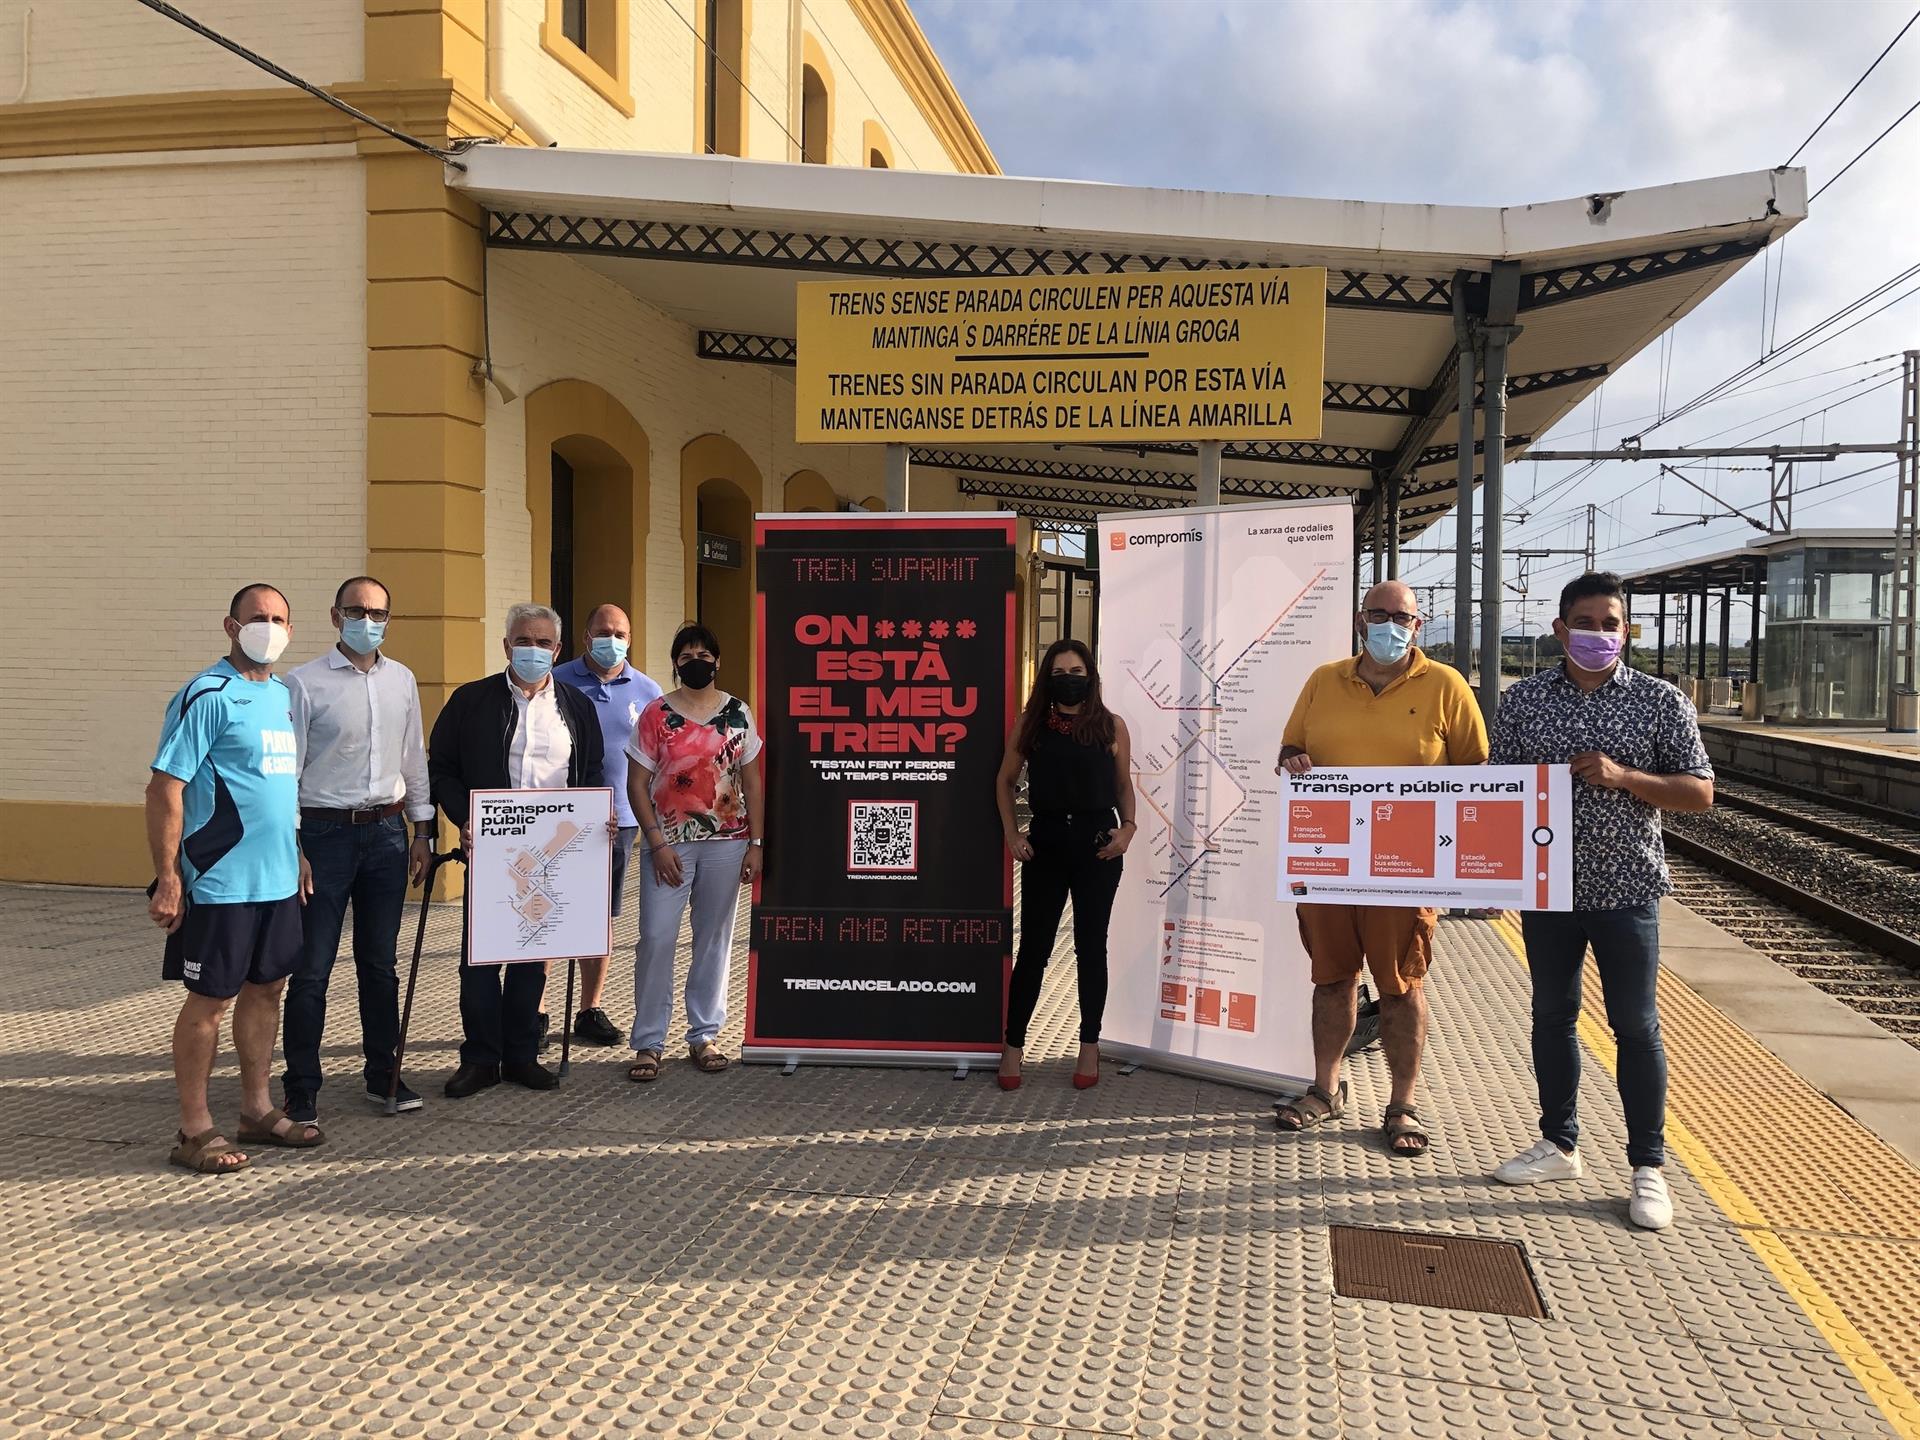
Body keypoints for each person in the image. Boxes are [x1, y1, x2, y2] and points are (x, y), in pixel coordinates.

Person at [1489, 572, 1713, 1231]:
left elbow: (1699, 792)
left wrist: (1624, 777)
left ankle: (1648, 1167)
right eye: (1584, 623)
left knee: (1635, 1026)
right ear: (1560, 630)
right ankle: (1559, 1144)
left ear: (1625, 631)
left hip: (1627, 890)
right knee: (1552, 1016)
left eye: (1610, 624)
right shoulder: (1524, 700)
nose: (1598, 634)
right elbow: (1496, 791)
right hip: (1547, 890)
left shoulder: (1660, 701)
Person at [1272, 580, 1487, 1156]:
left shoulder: (1447, 685)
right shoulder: (1323, 680)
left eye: (1403, 617)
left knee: (1400, 986)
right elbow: (1288, 750)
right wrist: (1293, 760)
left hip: (1407, 867)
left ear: (1418, 625)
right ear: (1360, 620)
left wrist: (1474, 870)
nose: (1391, 625)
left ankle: (1402, 1104)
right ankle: (1325, 1089)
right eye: (1379, 614)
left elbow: (1478, 775)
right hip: (1330, 863)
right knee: (1331, 979)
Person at [146, 583, 322, 1173]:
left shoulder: (282, 696)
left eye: (278, 619)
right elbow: (164, 788)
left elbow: (277, 787)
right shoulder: (207, 694)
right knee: (210, 1001)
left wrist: (296, 850)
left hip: (278, 879)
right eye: (256, 617)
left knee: (267, 990)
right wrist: (168, 877)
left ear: (291, 631)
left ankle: (256, 1109)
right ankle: (194, 1128)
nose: (267, 628)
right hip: (221, 882)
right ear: (231, 626)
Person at [429, 603, 605, 1098]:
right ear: (506, 646)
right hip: (491, 851)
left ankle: (522, 1056)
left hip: (552, 854)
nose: (533, 650)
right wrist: (465, 817)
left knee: (532, 959)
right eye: (524, 641)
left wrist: (597, 819)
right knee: (480, 961)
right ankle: (481, 1059)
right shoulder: (471, 701)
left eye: (543, 642)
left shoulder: (576, 706)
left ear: (558, 649)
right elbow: (441, 767)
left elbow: (592, 772)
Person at [279, 576, 437, 1123]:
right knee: (312, 968)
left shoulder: (402, 679)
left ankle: (383, 1074)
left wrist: (422, 831)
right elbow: (287, 770)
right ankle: (301, 1085)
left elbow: (413, 757)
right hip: (323, 836)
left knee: (379, 964)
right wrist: (294, 846)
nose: (366, 621)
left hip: (387, 835)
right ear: (335, 616)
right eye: (355, 611)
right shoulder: (304, 683)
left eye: (377, 613)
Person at [625, 623, 764, 1082]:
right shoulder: (656, 714)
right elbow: (637, 784)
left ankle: (704, 1035)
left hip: (729, 843)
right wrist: (656, 842)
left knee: (713, 942)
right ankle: (649, 1042)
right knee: (656, 939)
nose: (696, 663)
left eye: (704, 655)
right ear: (675, 664)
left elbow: (752, 782)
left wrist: (757, 844)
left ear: (718, 661)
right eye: (686, 657)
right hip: (668, 847)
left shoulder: (738, 713)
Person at [995, 639, 1136, 1091]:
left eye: (1076, 672)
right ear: (1046, 679)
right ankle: (1013, 1045)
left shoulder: (1111, 726)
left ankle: (1089, 1044)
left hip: (1098, 847)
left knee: (1091, 947)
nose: (1068, 680)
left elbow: (1123, 786)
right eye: (1058, 673)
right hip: (1048, 843)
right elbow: (1005, 781)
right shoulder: (1032, 725)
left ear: (1090, 676)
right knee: (1034, 949)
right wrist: (1013, 834)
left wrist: (1128, 829)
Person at [553, 603, 661, 1047]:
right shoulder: (556, 680)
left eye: (619, 634)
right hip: (556, 819)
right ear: (585, 636)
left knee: (598, 916)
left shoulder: (647, 690)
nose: (611, 640)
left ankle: (589, 1009)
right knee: (547, 909)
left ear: (630, 640)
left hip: (619, 823)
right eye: (603, 632)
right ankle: (535, 1012)